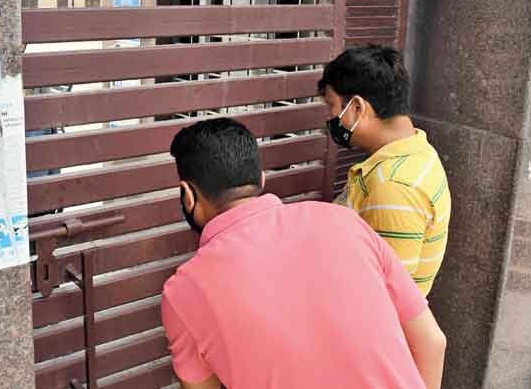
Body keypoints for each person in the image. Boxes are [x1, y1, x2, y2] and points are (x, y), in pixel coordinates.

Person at [163, 118, 447, 389]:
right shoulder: (344, 221)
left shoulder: (183, 292)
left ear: (187, 195)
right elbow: (432, 343)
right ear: (261, 180)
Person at [318, 45, 450, 296]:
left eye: (331, 105)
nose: (330, 116)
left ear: (357, 107)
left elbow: (388, 297)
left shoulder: (394, 187)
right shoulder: (418, 151)